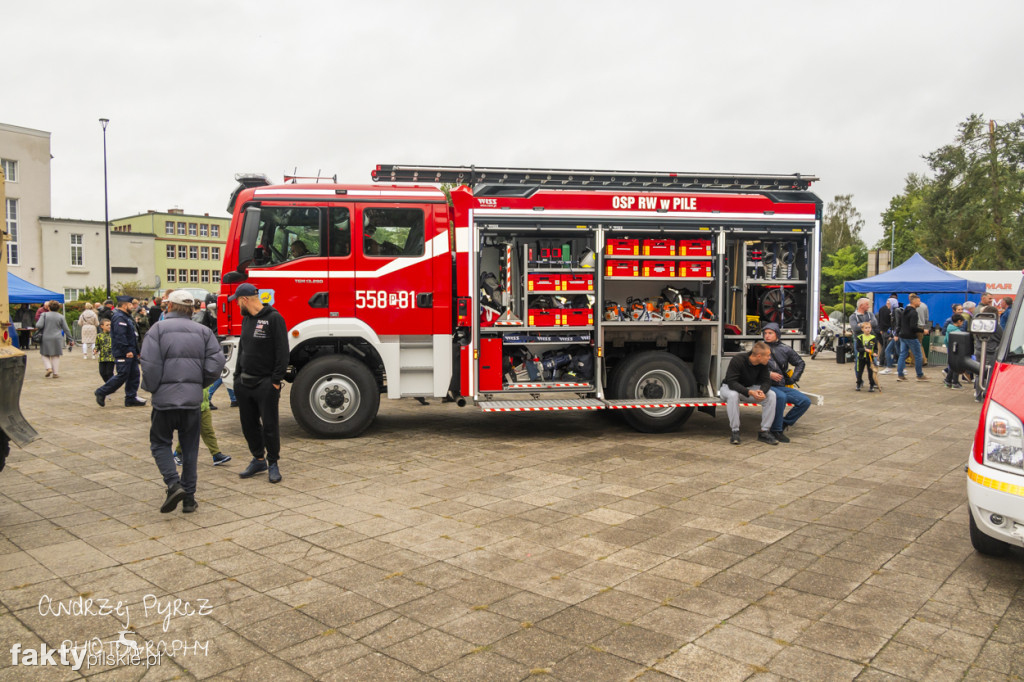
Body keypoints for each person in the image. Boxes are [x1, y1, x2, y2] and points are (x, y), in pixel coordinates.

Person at [141, 290, 226, 513]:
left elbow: (149, 364)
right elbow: (216, 363)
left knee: (160, 443)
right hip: (192, 401)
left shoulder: (157, 330)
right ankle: (189, 498)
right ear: (192, 309)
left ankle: (172, 483)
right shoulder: (204, 331)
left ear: (169, 307)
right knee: (190, 449)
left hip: (164, 401)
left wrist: (153, 388)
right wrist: (199, 384)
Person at [230, 283, 289, 483]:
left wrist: (275, 381)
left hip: (266, 384)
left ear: (244, 299)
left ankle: (273, 462)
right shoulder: (246, 320)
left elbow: (283, 352)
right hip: (244, 383)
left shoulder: (274, 318)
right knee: (249, 425)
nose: (237, 305)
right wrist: (237, 378)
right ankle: (258, 459)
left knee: (270, 425)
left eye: (237, 301)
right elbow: (242, 350)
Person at [720, 341, 778, 446]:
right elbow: (732, 382)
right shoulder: (738, 360)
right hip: (728, 388)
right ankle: (735, 432)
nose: (769, 358)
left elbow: (766, 381)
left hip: (748, 389)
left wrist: (762, 391)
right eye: (768, 355)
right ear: (759, 356)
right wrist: (750, 392)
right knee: (733, 396)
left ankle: (764, 432)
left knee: (771, 395)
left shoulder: (763, 364)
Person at [761, 322, 810, 443]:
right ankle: (776, 430)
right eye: (765, 333)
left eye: (770, 333)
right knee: (781, 397)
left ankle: (783, 424)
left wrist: (794, 378)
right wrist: (769, 374)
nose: (767, 336)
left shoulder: (785, 349)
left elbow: (800, 363)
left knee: (805, 401)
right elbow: (752, 368)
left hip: (780, 386)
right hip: (765, 385)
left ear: (777, 334)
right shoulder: (759, 348)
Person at [94, 295, 147, 407]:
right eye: (130, 304)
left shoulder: (126, 316)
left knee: (134, 374)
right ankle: (101, 391)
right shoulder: (119, 317)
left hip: (131, 350)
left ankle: (131, 398)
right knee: (122, 374)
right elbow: (120, 335)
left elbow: (132, 334)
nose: (132, 307)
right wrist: (127, 349)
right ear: (124, 305)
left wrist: (136, 350)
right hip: (124, 351)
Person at [174, 385, 231, 467]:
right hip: (190, 408)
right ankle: (178, 453)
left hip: (204, 406)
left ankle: (216, 454)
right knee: (188, 432)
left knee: (208, 431)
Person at [37, 301, 71, 378]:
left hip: (46, 337)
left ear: (48, 307)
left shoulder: (44, 315)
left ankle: (49, 368)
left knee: (44, 354)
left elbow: (39, 325)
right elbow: (66, 329)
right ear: (58, 308)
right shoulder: (61, 316)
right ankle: (55, 373)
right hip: (57, 338)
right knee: (56, 355)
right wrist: (70, 338)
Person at [897, 294, 927, 382]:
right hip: (911, 337)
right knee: (918, 355)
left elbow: (900, 323)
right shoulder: (914, 312)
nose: (920, 303)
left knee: (902, 355)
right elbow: (913, 327)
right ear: (914, 302)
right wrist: (922, 331)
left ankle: (900, 375)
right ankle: (919, 375)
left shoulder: (904, 311)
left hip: (903, 335)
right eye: (918, 301)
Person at [854, 321, 880, 392]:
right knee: (859, 371)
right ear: (862, 329)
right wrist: (865, 350)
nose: (868, 329)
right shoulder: (859, 337)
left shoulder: (873, 337)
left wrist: (875, 353)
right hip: (861, 357)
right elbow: (858, 348)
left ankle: (871, 385)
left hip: (870, 358)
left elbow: (875, 348)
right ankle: (858, 384)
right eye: (866, 328)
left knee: (870, 372)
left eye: (869, 328)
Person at [943, 313, 965, 389]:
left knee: (953, 366)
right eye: (962, 322)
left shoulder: (949, 329)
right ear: (959, 321)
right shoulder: (958, 332)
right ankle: (955, 382)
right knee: (957, 366)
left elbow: (945, 340)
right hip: (957, 351)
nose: (962, 324)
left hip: (950, 349)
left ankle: (948, 380)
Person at [913, 294, 931, 366]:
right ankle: (923, 360)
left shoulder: (909, 306)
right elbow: (927, 318)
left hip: (914, 327)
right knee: (919, 343)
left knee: (914, 344)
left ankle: (920, 360)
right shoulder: (924, 305)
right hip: (922, 326)